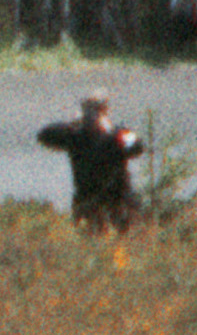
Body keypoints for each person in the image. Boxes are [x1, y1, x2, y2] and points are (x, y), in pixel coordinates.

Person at [36, 91, 147, 230]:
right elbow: (44, 134)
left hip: (118, 201)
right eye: (89, 112)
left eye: (95, 112)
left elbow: (137, 146)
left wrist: (115, 131)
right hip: (89, 203)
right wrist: (72, 126)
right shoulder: (75, 136)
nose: (91, 117)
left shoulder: (115, 136)